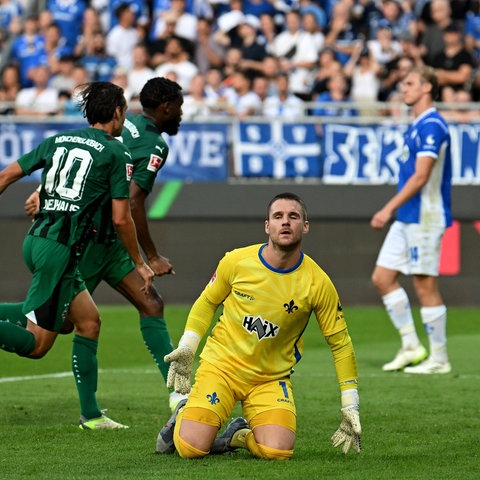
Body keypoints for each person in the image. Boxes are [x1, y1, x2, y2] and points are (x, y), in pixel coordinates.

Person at [19, 77, 186, 413]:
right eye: (180, 106)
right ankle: (90, 411)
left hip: (112, 245)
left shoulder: (129, 125)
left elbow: (83, 159)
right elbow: (133, 203)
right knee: (60, 324)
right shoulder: (156, 146)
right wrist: (150, 256)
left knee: (151, 304)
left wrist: (46, 193)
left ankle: (179, 394)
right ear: (167, 108)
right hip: (90, 240)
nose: (182, 113)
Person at [155, 192, 361, 459]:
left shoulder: (318, 283)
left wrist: (350, 404)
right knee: (192, 448)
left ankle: (237, 436)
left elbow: (341, 345)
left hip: (270, 379)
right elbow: (207, 302)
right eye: (278, 216)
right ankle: (185, 410)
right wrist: (188, 346)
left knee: (277, 451)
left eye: (293, 216)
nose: (285, 222)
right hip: (221, 368)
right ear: (267, 226)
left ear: (305, 226)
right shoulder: (236, 261)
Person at [0, 81, 154, 428]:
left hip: (37, 240)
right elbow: (120, 217)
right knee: (38, 346)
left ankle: (92, 415)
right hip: (62, 251)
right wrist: (140, 264)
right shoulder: (116, 152)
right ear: (117, 113)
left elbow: (8, 174)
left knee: (87, 322)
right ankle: (91, 415)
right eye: (124, 110)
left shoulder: (58, 140)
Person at [370, 66, 452, 374]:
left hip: (426, 216)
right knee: (382, 278)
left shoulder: (432, 126)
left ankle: (439, 359)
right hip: (409, 216)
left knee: (424, 284)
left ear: (427, 88)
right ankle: (411, 346)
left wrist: (386, 208)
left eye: (409, 84)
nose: (403, 89)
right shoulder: (416, 125)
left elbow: (421, 176)